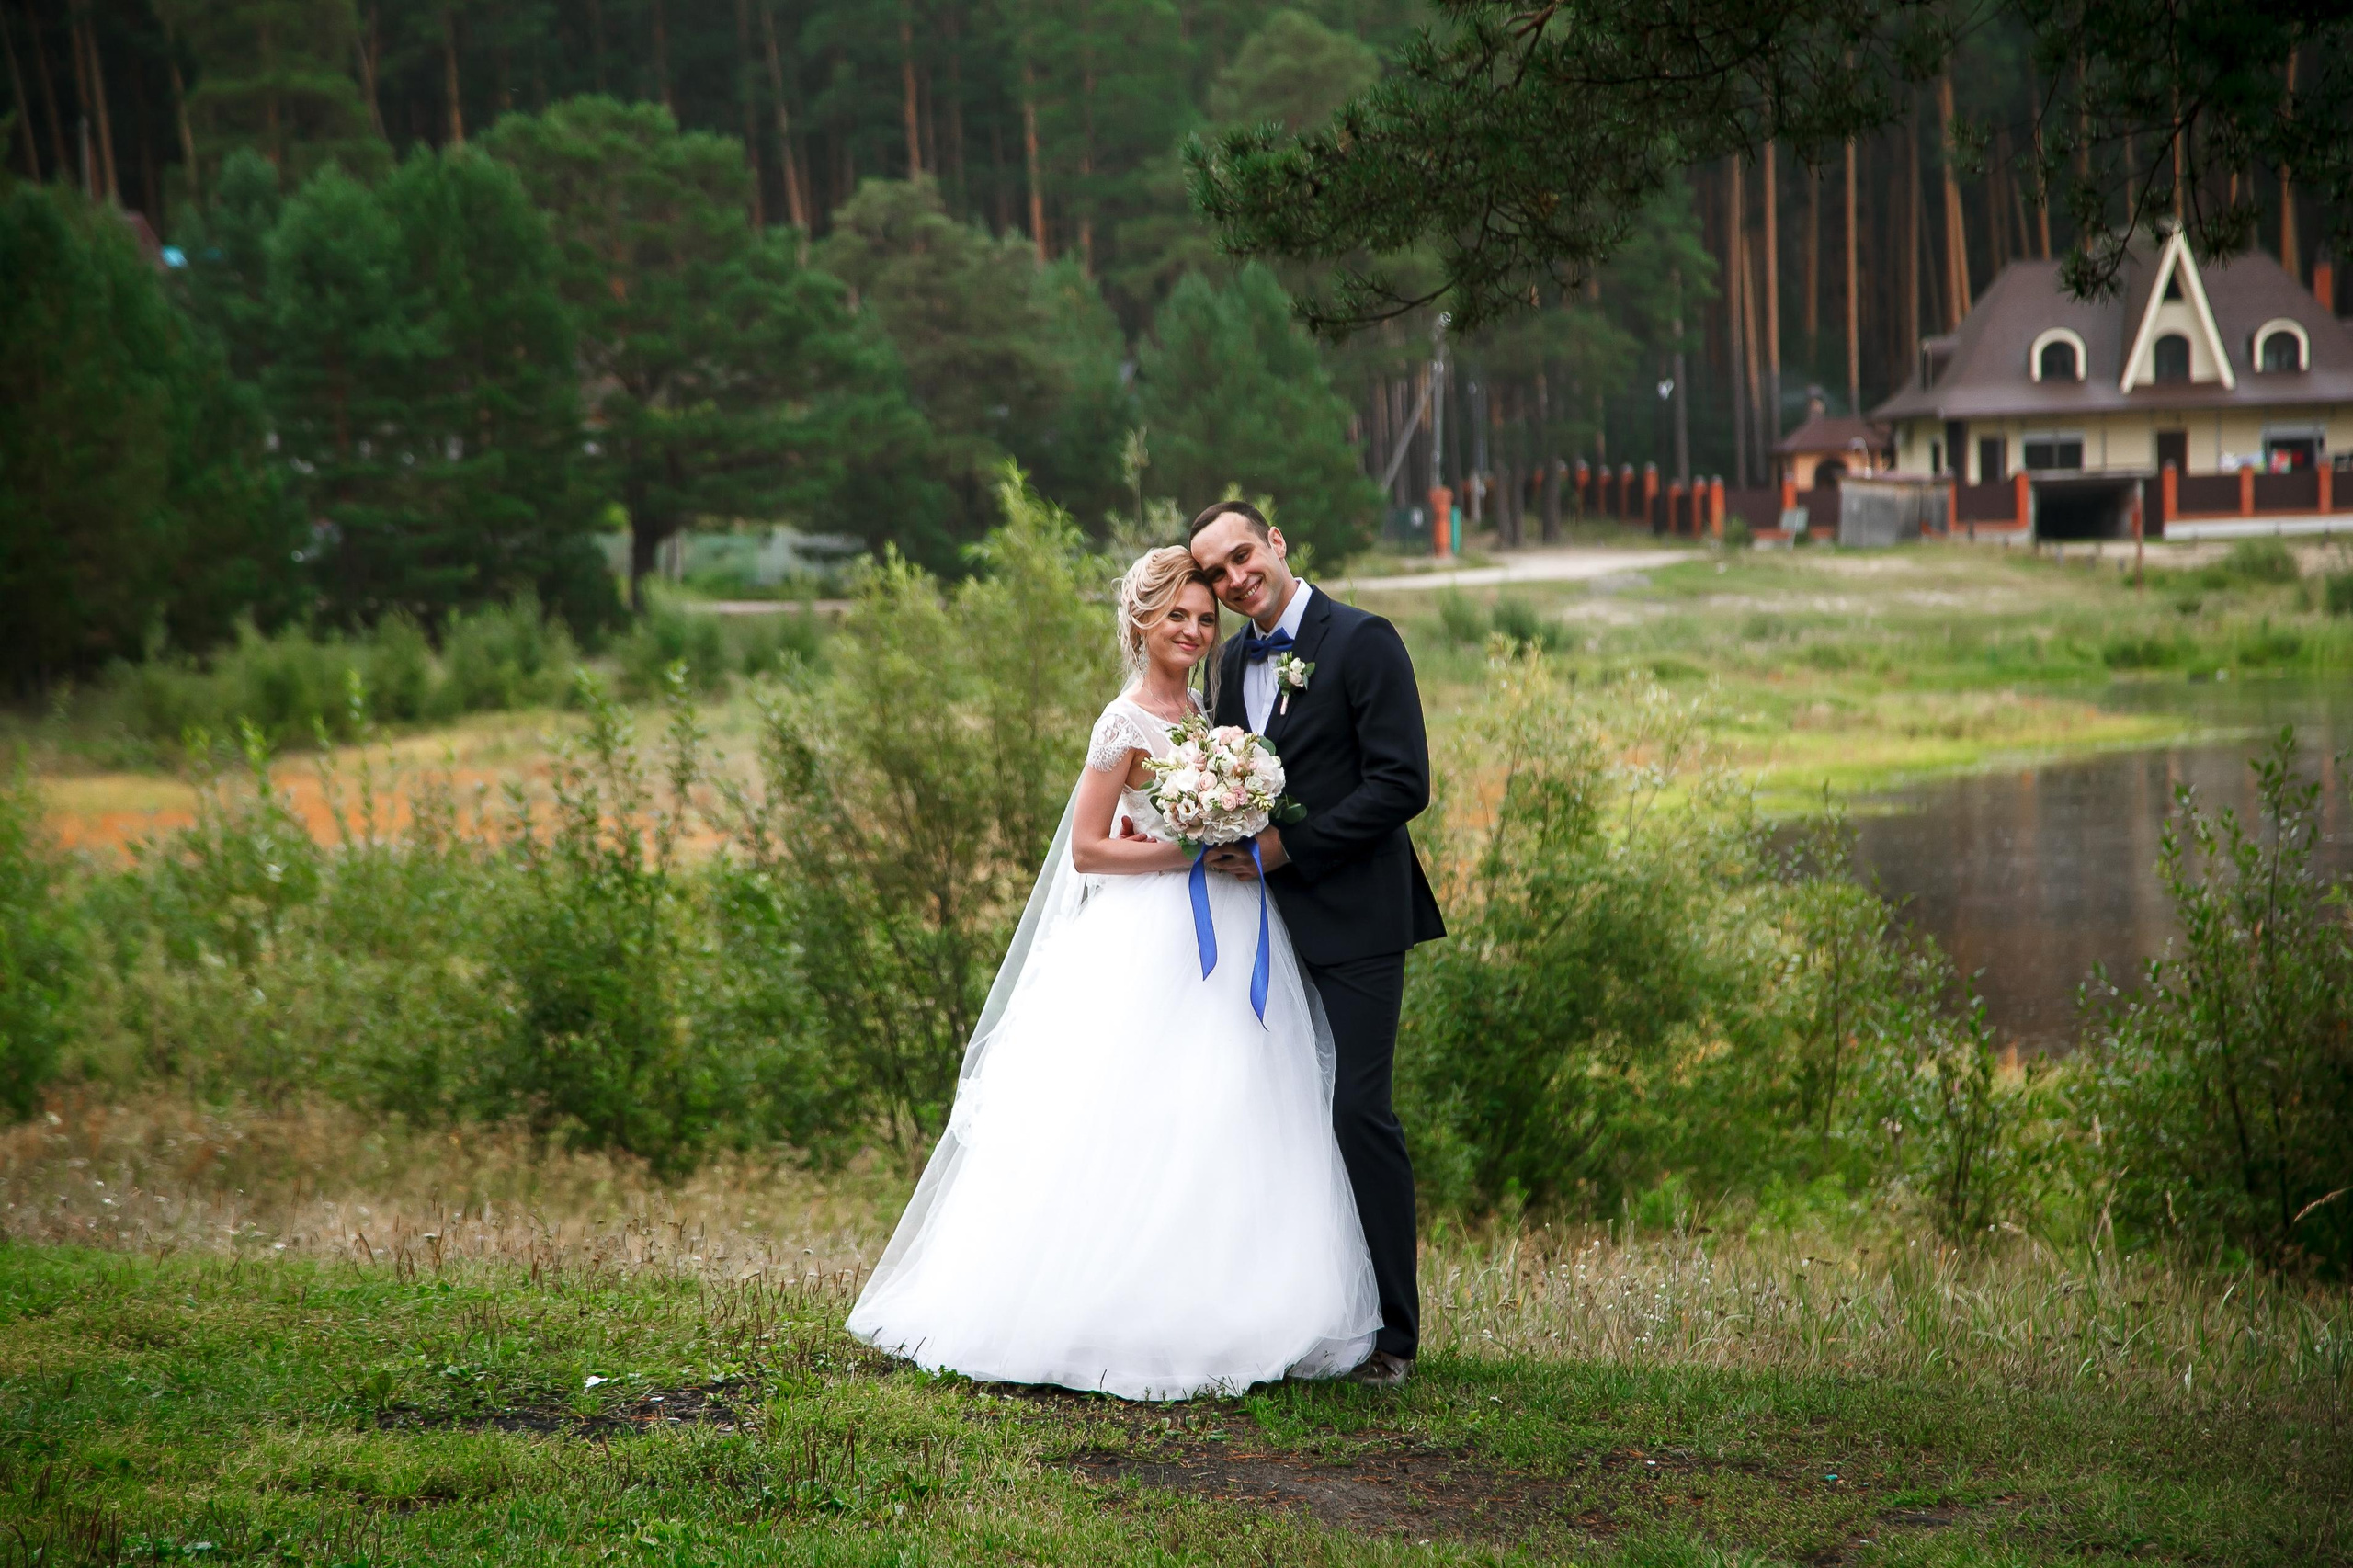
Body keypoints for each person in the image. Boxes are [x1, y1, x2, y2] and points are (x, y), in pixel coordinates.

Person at [845, 547, 1380, 1401]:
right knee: (1132, 1111)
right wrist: (1187, 847)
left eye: (1206, 620)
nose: (1196, 632)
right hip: (1149, 937)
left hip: (1236, 926)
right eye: (1178, 617)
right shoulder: (1122, 722)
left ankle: (1225, 1303)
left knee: (1228, 1104)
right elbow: (1090, 848)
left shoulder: (1209, 713)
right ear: (1142, 621)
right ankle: (1098, 1310)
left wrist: (1233, 819)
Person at [1188, 501, 1446, 1389]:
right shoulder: (1229, 662)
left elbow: (1402, 782)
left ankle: (1397, 1339)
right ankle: (1295, 1317)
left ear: (1278, 543)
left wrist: (1282, 848)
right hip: (1259, 926)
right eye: (1217, 572)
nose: (1234, 578)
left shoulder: (1365, 641)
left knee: (1357, 1114)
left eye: (1243, 555)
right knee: (1268, 1116)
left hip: (1358, 921)